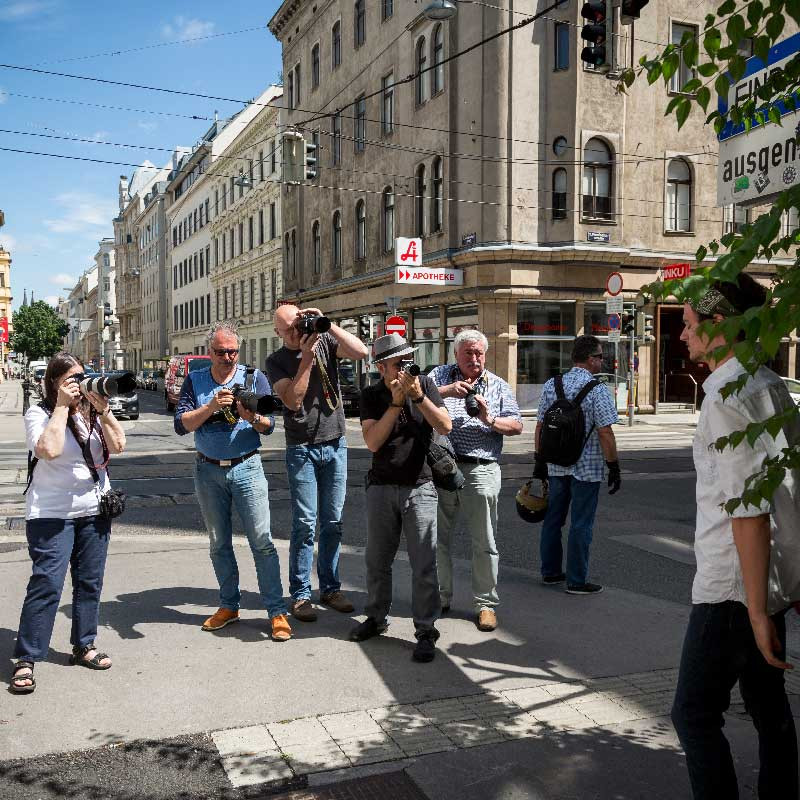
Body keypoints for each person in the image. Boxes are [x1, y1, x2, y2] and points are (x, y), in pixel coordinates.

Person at [670, 275, 799, 799]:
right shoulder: (770, 384)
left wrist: (754, 610)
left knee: (694, 714)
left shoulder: (724, 395)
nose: (682, 336)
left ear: (719, 324)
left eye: (688, 324)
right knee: (770, 709)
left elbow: (748, 510)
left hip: (732, 587)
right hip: (766, 581)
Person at [10, 352, 126, 694]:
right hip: (52, 513)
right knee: (47, 583)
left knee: (90, 583)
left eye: (82, 377)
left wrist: (102, 409)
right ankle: (27, 657)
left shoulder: (92, 413)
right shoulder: (39, 412)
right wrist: (62, 406)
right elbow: (48, 449)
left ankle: (83, 645)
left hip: (94, 510)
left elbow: (118, 445)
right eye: (71, 380)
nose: (78, 385)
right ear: (55, 384)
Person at [174, 321, 291, 642]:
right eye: (221, 352)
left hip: (247, 467)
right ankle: (229, 605)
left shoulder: (254, 378)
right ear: (208, 352)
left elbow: (269, 426)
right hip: (208, 470)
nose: (227, 357)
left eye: (233, 351)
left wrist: (248, 415)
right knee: (218, 543)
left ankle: (276, 611)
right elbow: (181, 425)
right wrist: (211, 406)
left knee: (262, 542)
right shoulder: (195, 380)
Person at [349, 334, 452, 662]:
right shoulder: (371, 394)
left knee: (424, 564)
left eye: (409, 359)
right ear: (381, 367)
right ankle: (377, 618)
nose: (406, 368)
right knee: (377, 561)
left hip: (420, 486)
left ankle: (425, 630)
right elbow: (373, 443)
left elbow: (446, 426)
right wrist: (395, 403)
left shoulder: (424, 385)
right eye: (398, 362)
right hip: (381, 487)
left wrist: (419, 397)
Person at [267, 304, 368, 623]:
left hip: (336, 442)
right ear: (278, 333)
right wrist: (307, 357)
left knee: (333, 521)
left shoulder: (323, 340)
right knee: (305, 524)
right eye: (289, 330)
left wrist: (328, 323)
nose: (297, 333)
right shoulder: (276, 361)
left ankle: (331, 588)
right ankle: (300, 595)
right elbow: (292, 400)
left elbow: (361, 352)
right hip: (303, 448)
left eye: (299, 324)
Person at [429, 329, 522, 632]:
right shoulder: (439, 375)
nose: (475, 358)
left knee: (484, 541)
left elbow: (517, 425)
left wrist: (489, 419)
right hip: (442, 467)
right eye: (468, 352)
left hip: (480, 468)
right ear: (456, 353)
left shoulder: (498, 385)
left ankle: (485, 604)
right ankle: (440, 597)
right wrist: (446, 391)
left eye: (480, 353)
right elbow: (415, 394)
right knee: (436, 539)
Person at [534, 335, 620, 595]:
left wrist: (539, 461)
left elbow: (540, 425)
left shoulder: (552, 384)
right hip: (588, 467)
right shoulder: (597, 390)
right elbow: (605, 432)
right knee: (581, 524)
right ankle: (576, 581)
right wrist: (613, 465)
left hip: (556, 464)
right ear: (591, 359)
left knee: (552, 521)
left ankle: (550, 573)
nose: (602, 361)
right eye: (601, 357)